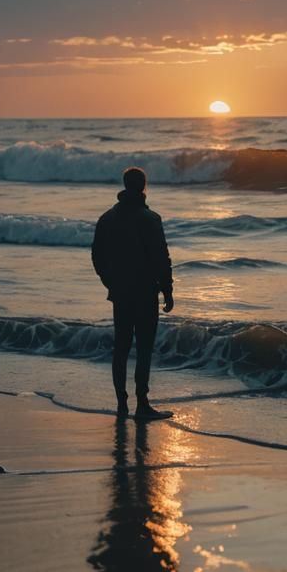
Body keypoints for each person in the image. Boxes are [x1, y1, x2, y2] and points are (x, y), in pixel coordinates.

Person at [92, 166, 174, 420]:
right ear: (144, 187)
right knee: (144, 348)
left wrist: (110, 282)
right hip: (145, 292)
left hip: (121, 293)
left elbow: (96, 256)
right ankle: (142, 404)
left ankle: (121, 403)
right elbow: (162, 258)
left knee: (122, 347)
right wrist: (167, 290)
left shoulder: (107, 218)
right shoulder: (151, 220)